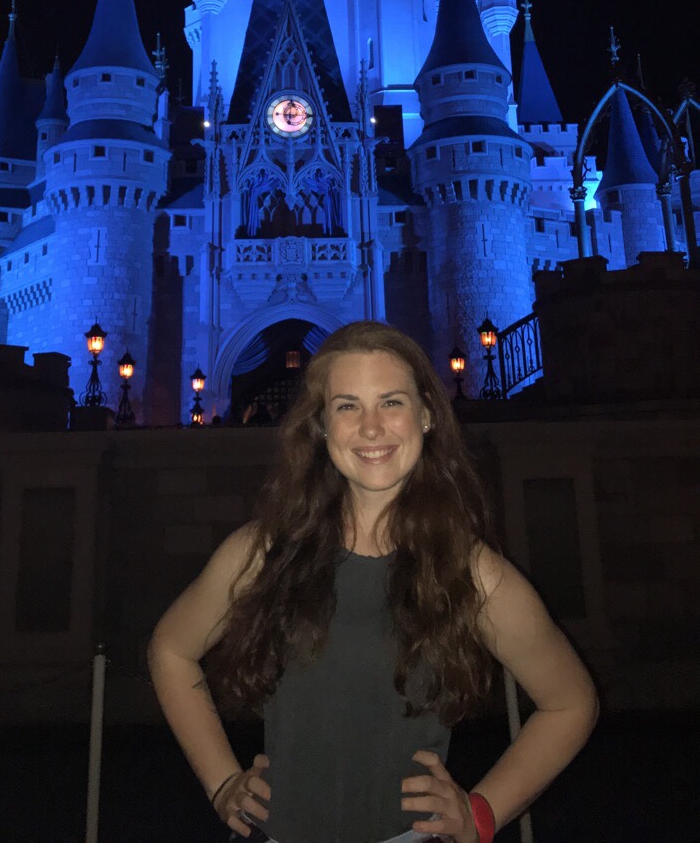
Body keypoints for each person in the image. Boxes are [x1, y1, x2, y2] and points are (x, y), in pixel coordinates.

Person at [148, 322, 599, 843]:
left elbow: (571, 702)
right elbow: (170, 650)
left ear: (426, 415)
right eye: (347, 406)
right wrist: (223, 782)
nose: (370, 427)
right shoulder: (263, 552)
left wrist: (481, 813)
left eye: (391, 402)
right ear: (321, 425)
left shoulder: (472, 572)